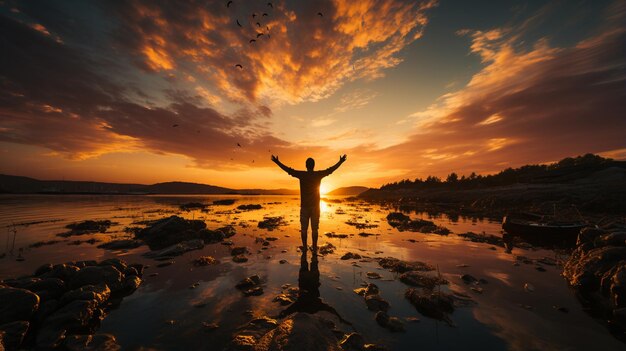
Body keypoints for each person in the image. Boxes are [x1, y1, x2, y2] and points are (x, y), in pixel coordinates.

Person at [271, 154, 347, 251]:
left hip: (305, 207)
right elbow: (330, 170)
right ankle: (314, 247)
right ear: (313, 165)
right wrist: (340, 162)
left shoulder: (302, 175)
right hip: (315, 207)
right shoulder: (318, 174)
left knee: (304, 229)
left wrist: (277, 162)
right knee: (315, 229)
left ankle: (305, 248)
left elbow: (288, 170)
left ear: (306, 165)